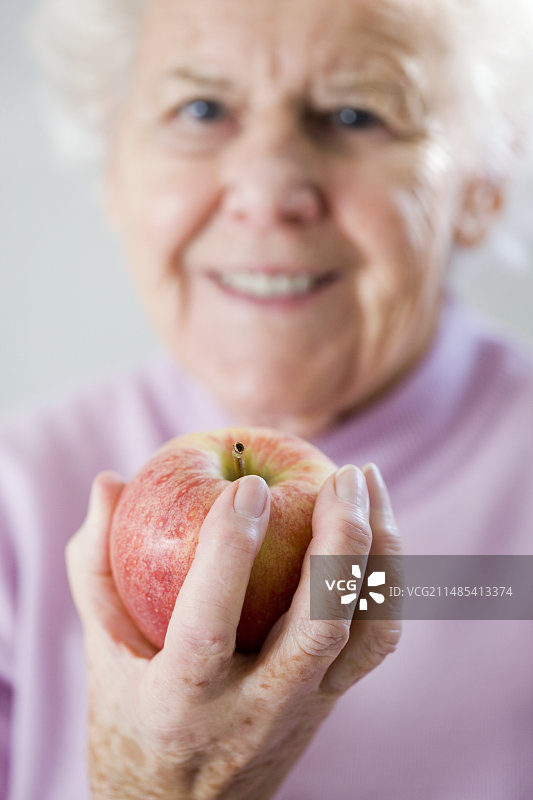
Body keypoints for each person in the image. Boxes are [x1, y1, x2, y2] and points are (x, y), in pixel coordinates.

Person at [1, 0, 533, 797]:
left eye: (355, 115)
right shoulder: (15, 495)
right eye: (201, 109)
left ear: (484, 182)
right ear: (114, 169)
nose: (269, 187)